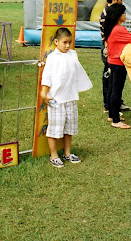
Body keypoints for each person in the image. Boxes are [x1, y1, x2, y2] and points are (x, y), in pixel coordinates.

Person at [40, 28, 93, 168]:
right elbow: (47, 75)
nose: (68, 45)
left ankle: (67, 153)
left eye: (70, 42)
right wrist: (44, 92)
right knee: (55, 128)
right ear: (56, 42)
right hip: (56, 99)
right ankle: (54, 155)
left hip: (70, 98)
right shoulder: (52, 57)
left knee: (69, 128)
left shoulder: (73, 54)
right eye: (65, 42)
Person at [102, 3, 131, 129]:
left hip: (111, 61)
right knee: (116, 91)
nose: (125, 15)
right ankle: (116, 120)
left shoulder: (110, 28)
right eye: (123, 13)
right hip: (119, 63)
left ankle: (112, 114)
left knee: (112, 89)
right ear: (118, 16)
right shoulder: (119, 29)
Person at [99, 0, 131, 114]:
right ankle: (109, 106)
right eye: (121, 0)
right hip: (110, 50)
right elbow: (107, 35)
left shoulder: (111, 11)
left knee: (115, 80)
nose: (122, 3)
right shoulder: (107, 13)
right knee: (110, 78)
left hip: (114, 50)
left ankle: (116, 103)